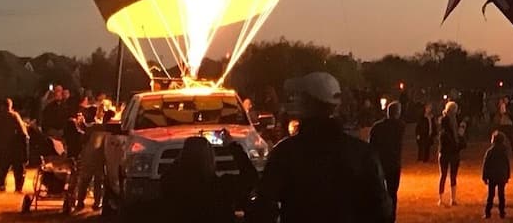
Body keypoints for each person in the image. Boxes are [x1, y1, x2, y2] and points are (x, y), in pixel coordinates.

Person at [250, 72, 392, 223]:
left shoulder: (286, 153)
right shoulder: (362, 153)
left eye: (299, 96)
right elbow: (382, 209)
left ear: (308, 103)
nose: (294, 100)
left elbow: (263, 206)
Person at [161, 137, 254, 223]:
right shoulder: (222, 187)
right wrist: (233, 146)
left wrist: (186, 155)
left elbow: (167, 176)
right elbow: (250, 177)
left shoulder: (173, 187)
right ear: (211, 159)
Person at [367, 102, 405, 205]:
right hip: (393, 164)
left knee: (379, 191)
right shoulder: (400, 126)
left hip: (379, 163)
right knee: (392, 193)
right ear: (398, 112)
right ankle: (391, 216)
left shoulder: (377, 127)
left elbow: (371, 145)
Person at [0, 98, 29, 192]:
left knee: (2, 168)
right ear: (11, 106)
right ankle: (18, 188)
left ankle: (1, 186)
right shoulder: (14, 116)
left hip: (1, 148)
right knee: (18, 170)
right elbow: (23, 133)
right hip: (14, 147)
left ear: (2, 107)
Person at [436, 101, 465, 207]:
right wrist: (459, 137)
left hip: (448, 152)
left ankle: (450, 199)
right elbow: (449, 139)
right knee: (446, 175)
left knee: (448, 176)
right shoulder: (446, 123)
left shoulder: (452, 122)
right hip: (448, 152)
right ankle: (445, 199)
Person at [481, 130, 513, 218]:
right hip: (501, 176)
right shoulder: (504, 151)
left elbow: (486, 164)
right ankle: (502, 212)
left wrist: (484, 176)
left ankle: (487, 213)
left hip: (492, 176)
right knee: (501, 195)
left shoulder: (490, 151)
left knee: (490, 195)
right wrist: (507, 175)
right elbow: (507, 164)